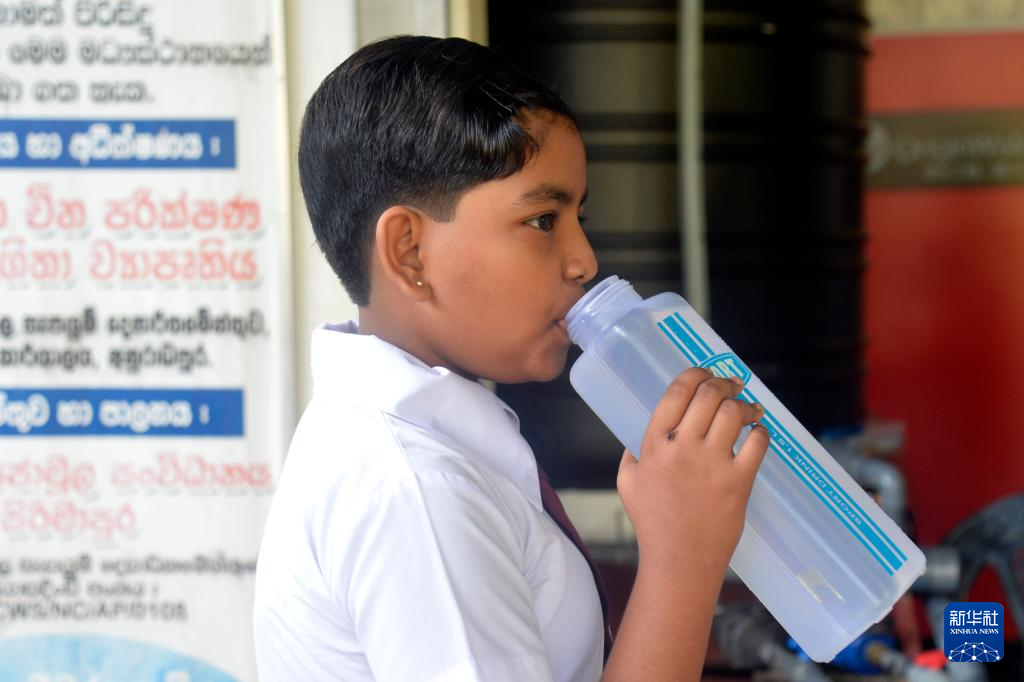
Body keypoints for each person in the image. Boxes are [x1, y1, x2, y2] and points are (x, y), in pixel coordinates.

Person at [253, 35, 770, 682]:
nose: (584, 261)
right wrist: (684, 553)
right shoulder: (414, 493)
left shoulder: (416, 445)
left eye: (579, 216)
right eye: (544, 220)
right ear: (410, 252)